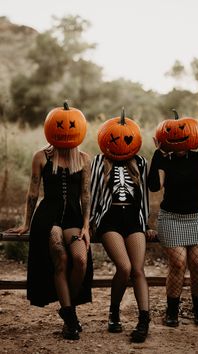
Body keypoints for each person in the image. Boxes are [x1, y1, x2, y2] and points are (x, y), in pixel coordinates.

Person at [8, 119, 93, 340]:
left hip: (74, 217)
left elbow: (85, 195)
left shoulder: (84, 159)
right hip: (48, 217)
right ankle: (71, 320)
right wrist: (27, 223)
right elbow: (33, 192)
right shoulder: (41, 157)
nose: (65, 133)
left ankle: (68, 309)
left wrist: (86, 225)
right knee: (61, 257)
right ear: (51, 130)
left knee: (80, 260)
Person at [147, 128, 198, 327]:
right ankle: (172, 312)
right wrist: (158, 153)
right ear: (167, 141)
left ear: (192, 139)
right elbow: (155, 186)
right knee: (178, 263)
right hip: (171, 219)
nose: (179, 143)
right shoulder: (165, 160)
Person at [90, 114, 154, 343]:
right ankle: (114, 311)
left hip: (133, 219)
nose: (120, 144)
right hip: (110, 218)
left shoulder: (141, 162)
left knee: (138, 269)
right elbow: (92, 195)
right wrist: (89, 224)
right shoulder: (99, 161)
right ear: (105, 139)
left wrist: (146, 224)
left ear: (134, 140)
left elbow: (144, 196)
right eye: (114, 139)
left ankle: (143, 319)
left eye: (126, 140)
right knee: (124, 268)